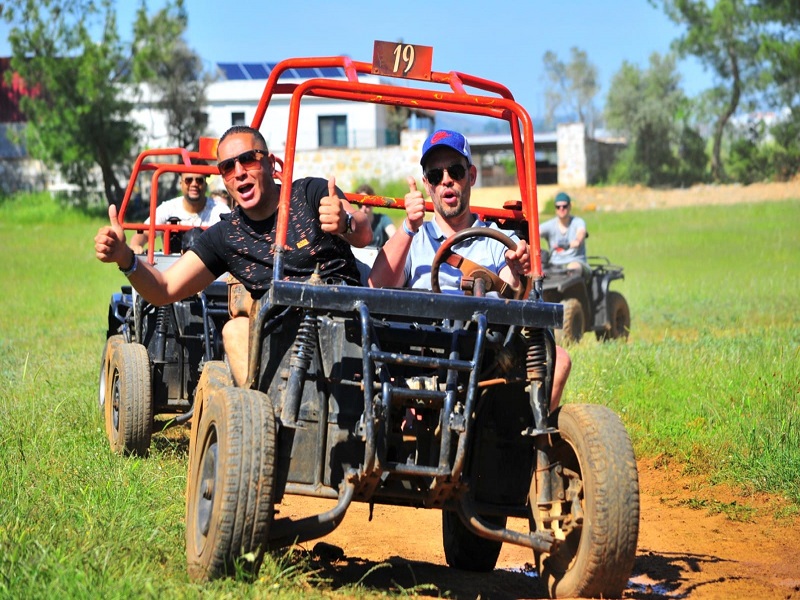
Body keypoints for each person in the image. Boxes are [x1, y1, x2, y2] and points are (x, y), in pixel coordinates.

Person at [95, 125, 371, 386]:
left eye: (248, 159)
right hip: (282, 339)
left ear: (270, 164)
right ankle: (262, 422)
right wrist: (126, 258)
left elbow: (364, 233)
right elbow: (163, 290)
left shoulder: (310, 193)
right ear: (224, 179)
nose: (238, 172)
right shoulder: (226, 235)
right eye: (228, 167)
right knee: (235, 330)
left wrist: (345, 223)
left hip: (346, 317)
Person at [368, 129, 571, 410]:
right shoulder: (415, 238)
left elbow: (510, 285)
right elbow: (375, 286)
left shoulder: (494, 239)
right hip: (421, 353)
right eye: (436, 176)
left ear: (471, 176)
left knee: (558, 361)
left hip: (484, 354)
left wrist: (517, 269)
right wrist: (408, 227)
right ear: (428, 185)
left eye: (455, 171)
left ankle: (523, 446)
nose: (447, 181)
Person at [129, 164, 230, 254]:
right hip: (173, 269)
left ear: (205, 184)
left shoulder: (220, 210)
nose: (194, 184)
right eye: (188, 180)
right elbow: (145, 232)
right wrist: (136, 245)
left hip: (211, 270)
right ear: (180, 183)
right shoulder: (168, 208)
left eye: (199, 180)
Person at [538, 191, 588, 271]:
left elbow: (581, 232)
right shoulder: (550, 225)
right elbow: (536, 232)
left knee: (572, 269)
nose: (561, 209)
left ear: (570, 206)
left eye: (564, 206)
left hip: (576, 261)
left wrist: (577, 241)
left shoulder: (577, 222)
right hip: (555, 264)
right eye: (558, 207)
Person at [354, 183, 396, 248]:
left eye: (367, 204)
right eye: (360, 204)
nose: (364, 208)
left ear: (373, 204)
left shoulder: (383, 219)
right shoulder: (353, 221)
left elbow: (394, 236)